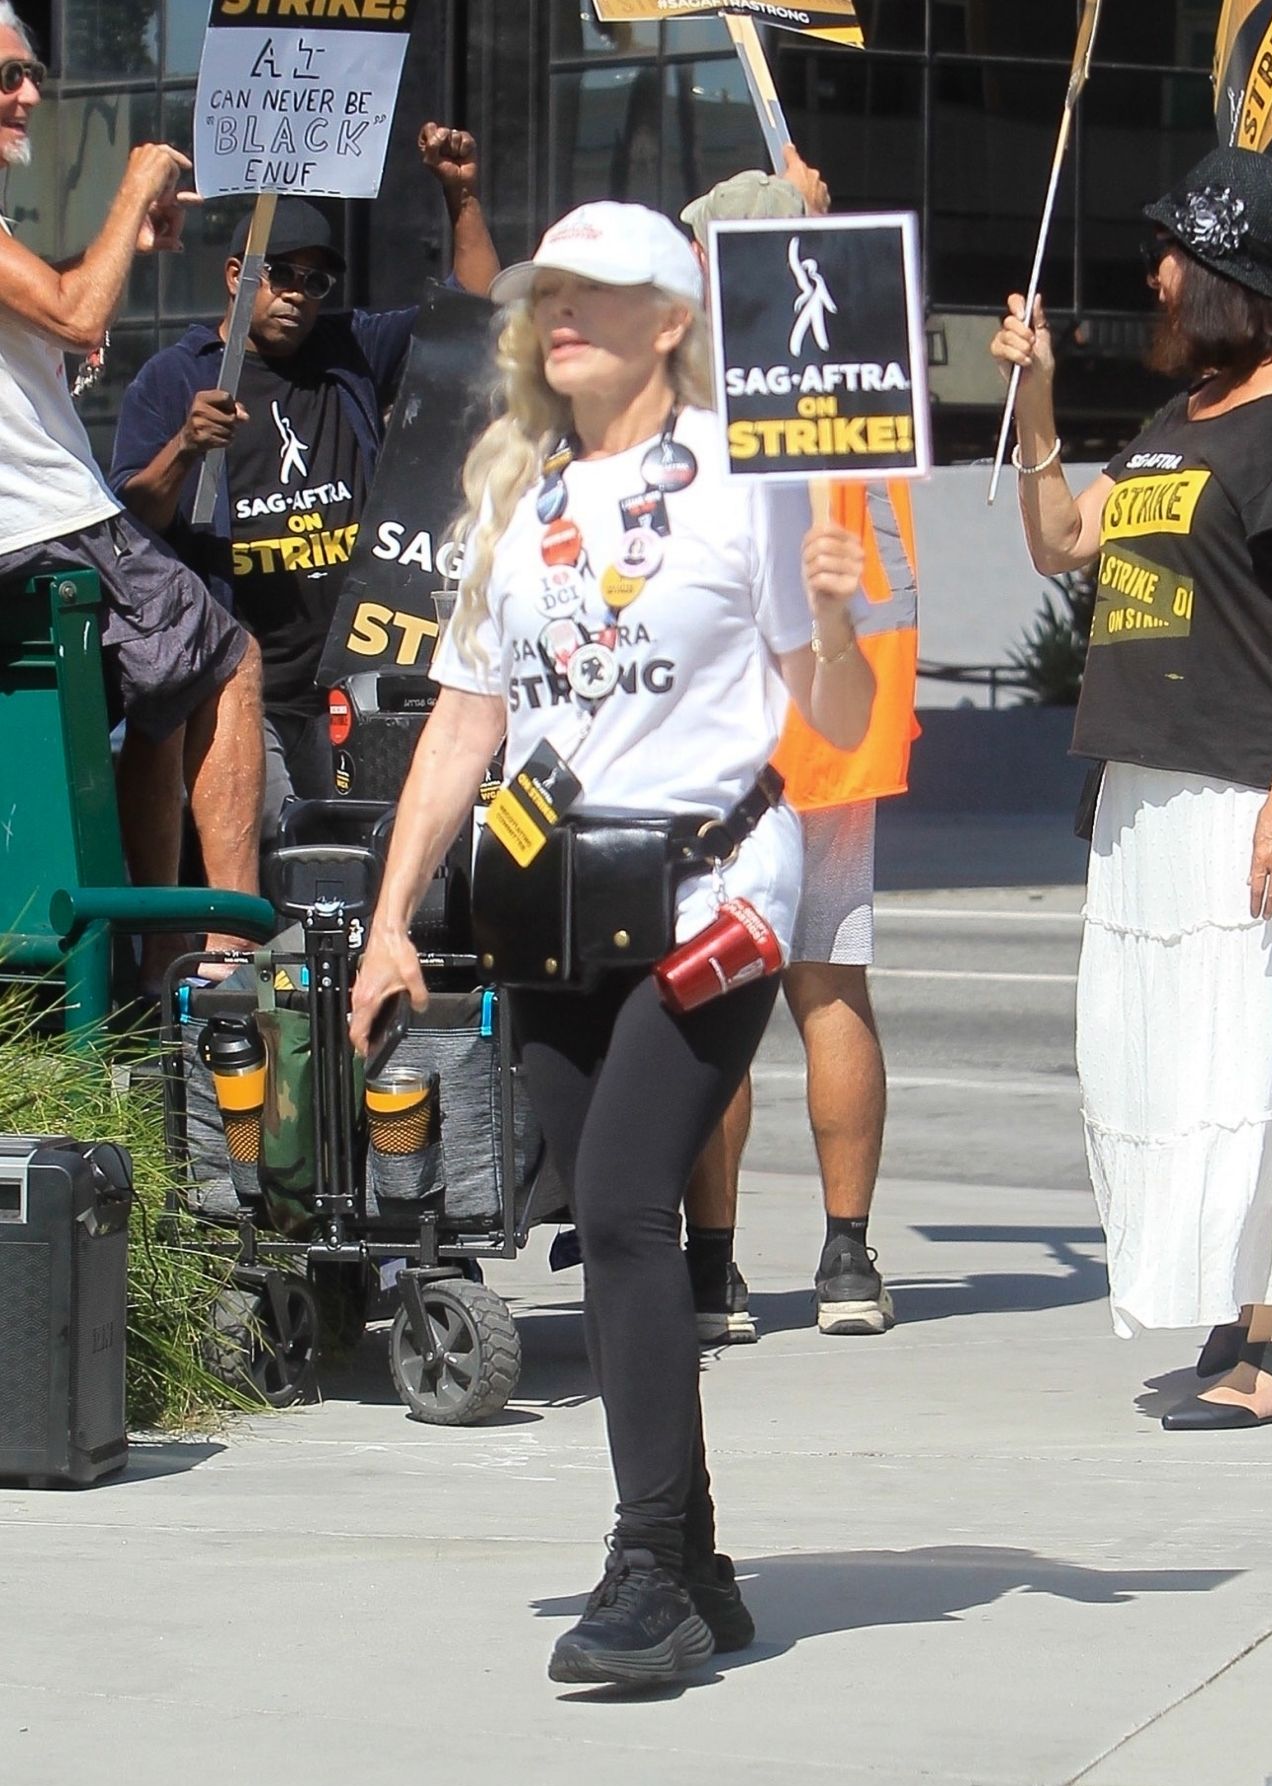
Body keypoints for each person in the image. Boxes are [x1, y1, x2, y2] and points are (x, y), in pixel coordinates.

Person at [349, 200, 875, 1684]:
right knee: (597, 1199)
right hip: (557, 903)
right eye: (547, 293)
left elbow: (829, 727)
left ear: (671, 319)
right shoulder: (517, 499)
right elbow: (465, 722)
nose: (560, 312)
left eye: (599, 291)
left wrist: (836, 626)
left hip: (720, 894)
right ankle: (699, 1555)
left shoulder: (751, 487)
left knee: (636, 1198)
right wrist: (391, 923)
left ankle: (645, 1568)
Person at [990, 144, 1272, 1431]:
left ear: (1228, 273)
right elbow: (1061, 541)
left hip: (1238, 786)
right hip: (1144, 798)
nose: (1152, 276)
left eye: (1172, 255)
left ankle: (1271, 1331)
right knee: (1169, 1067)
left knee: (1250, 1068)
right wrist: (1038, 407)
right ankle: (1242, 1297)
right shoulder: (1180, 422)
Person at [679, 154, 920, 1342]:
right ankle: (845, 1262)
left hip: (736, 735)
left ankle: (712, 1269)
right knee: (831, 984)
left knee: (718, 992)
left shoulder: (701, 385)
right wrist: (814, 226)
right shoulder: (854, 366)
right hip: (843, 724)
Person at [110, 127, 500, 846]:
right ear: (237, 276)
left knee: (363, 853)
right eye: (281, 274)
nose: (298, 296)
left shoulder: (346, 350)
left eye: (314, 282)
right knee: (278, 844)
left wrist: (460, 191)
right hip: (239, 686)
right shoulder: (175, 376)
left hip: (352, 678)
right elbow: (134, 521)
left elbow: (477, 309)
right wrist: (186, 447)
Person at [0, 3, 262, 980]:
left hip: (41, 520)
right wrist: (137, 181)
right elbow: (72, 314)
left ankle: (161, 955)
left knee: (173, 682)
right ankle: (225, 953)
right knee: (228, 659)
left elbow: (48, 300)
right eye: (7, 78)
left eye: (29, 73)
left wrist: (121, 249)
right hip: (46, 519)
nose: (29, 92)